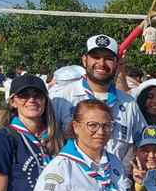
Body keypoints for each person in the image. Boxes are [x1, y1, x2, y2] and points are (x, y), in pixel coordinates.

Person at [50, 35, 146, 167]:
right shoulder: (62, 97)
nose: (101, 63)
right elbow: (46, 140)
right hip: (71, 181)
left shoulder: (129, 104)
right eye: (96, 57)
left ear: (117, 64)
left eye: (108, 58)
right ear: (84, 60)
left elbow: (143, 143)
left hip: (114, 183)